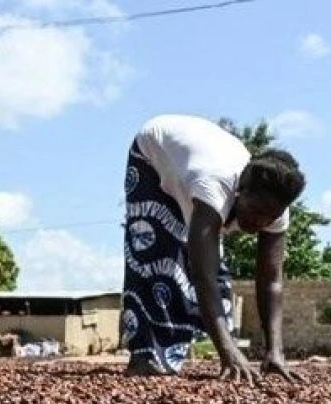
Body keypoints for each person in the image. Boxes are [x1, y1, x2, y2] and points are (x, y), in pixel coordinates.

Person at [119, 114, 306, 382]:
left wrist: (275, 351)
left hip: (195, 166)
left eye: (270, 216)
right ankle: (144, 356)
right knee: (154, 255)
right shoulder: (215, 184)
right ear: (239, 191)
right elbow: (201, 274)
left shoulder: (276, 210)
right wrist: (228, 351)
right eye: (256, 211)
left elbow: (271, 281)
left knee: (217, 275)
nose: (261, 222)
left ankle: (177, 352)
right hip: (153, 156)